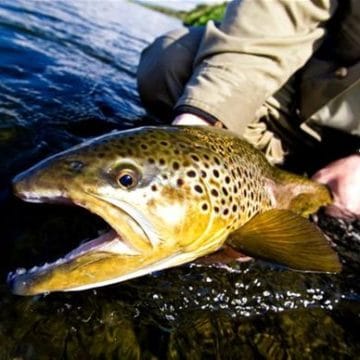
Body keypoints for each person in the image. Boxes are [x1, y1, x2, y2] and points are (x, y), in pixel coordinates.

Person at [137, 0, 360, 219]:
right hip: (304, 90)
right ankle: (258, 183)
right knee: (172, 59)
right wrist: (202, 120)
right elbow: (278, 11)